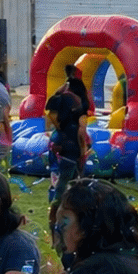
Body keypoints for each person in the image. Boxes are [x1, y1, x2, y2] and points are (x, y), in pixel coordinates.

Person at [45, 79, 90, 210]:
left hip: (62, 149)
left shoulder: (61, 117)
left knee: (63, 179)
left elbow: (51, 107)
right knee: (69, 181)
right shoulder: (79, 111)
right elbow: (81, 132)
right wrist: (83, 152)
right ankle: (58, 207)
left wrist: (60, 90)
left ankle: (58, 203)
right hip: (73, 150)